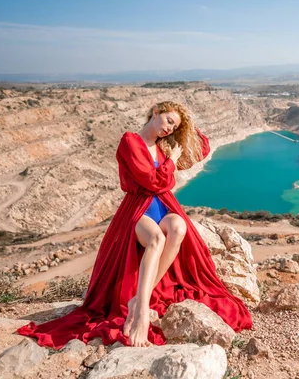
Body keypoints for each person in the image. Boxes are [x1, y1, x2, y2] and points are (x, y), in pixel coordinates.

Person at [18, 101, 253, 348]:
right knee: (156, 239)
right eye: (169, 121)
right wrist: (170, 161)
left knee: (179, 228)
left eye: (174, 127)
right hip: (138, 207)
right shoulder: (130, 141)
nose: (169, 129)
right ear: (155, 113)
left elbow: (199, 151)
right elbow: (151, 180)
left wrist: (187, 125)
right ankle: (141, 309)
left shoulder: (165, 147)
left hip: (162, 204)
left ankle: (139, 298)